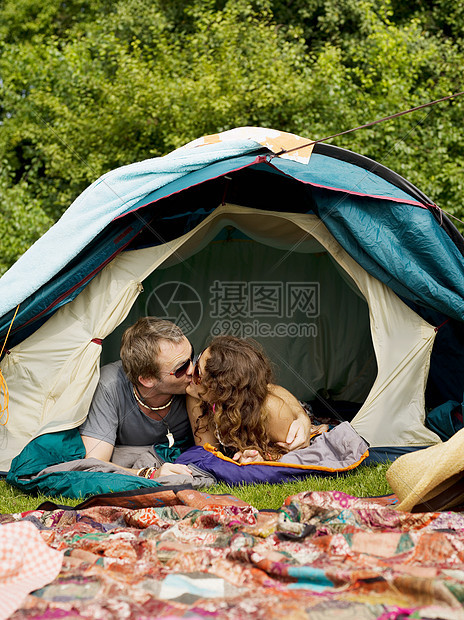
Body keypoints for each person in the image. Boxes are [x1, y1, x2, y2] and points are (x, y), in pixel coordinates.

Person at [79, 317, 195, 479]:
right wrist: (149, 473)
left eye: (192, 356)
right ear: (147, 379)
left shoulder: (197, 381)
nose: (192, 369)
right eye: (181, 368)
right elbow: (94, 462)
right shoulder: (110, 386)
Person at [186, 335, 315, 463]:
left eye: (198, 372)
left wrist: (264, 460)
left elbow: (297, 453)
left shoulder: (272, 411)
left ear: (221, 389)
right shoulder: (196, 396)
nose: (191, 370)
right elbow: (208, 455)